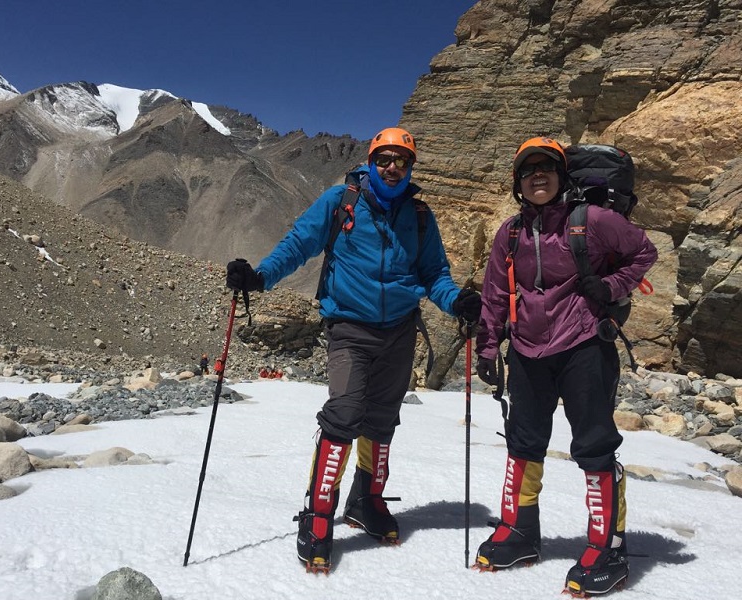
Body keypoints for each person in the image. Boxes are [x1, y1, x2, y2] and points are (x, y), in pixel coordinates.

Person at [225, 127, 482, 573]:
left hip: (400, 331)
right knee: (344, 413)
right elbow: (300, 243)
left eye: (402, 160)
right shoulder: (340, 201)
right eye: (384, 159)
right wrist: (261, 277)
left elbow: (434, 273)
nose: (392, 167)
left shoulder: (420, 217)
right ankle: (319, 514)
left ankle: (367, 501)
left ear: (410, 167)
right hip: (349, 327)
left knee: (382, 420)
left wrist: (456, 301)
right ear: (371, 161)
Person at [473, 137, 657, 595]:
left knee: (594, 445)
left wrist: (611, 287)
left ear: (561, 176)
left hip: (583, 347)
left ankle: (608, 547)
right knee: (523, 442)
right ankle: (519, 531)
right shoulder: (510, 233)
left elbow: (643, 253)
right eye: (528, 170)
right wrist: (488, 347)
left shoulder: (591, 221)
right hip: (529, 352)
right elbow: (496, 294)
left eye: (547, 168)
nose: (538, 176)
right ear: (518, 183)